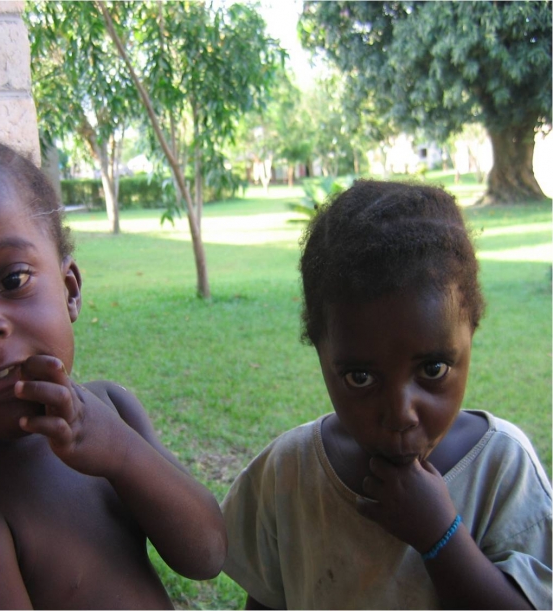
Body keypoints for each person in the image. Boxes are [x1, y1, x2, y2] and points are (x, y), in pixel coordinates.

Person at [0, 133, 227, 610]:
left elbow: (208, 554)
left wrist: (121, 453)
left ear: (70, 290)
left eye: (12, 280)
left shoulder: (113, 409)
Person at [221, 180, 552, 610]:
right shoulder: (288, 473)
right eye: (361, 377)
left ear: (471, 329)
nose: (399, 414)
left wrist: (441, 537)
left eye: (432, 369)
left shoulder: (503, 470)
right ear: (319, 350)